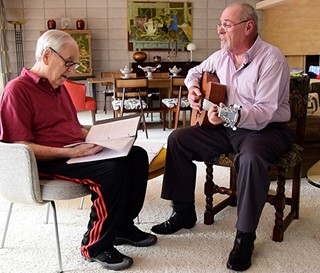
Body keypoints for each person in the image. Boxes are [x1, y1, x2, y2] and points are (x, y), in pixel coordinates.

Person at [151, 2, 293, 272]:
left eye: (226, 25)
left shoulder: (272, 58)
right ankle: (182, 212)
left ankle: (245, 236)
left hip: (265, 130)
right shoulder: (220, 56)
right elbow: (193, 73)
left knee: (250, 159)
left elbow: (264, 112)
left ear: (248, 27)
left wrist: (227, 116)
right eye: (221, 24)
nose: (219, 30)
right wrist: (194, 89)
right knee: (178, 139)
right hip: (227, 129)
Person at [0, 29, 157, 271]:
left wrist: (104, 137)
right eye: (68, 63)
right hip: (47, 161)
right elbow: (20, 147)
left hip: (75, 151)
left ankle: (122, 227)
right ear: (46, 56)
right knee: (111, 171)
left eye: (75, 63)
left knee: (136, 155)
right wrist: (70, 153)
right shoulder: (17, 90)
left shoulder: (58, 86)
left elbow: (73, 127)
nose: (72, 70)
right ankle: (94, 246)